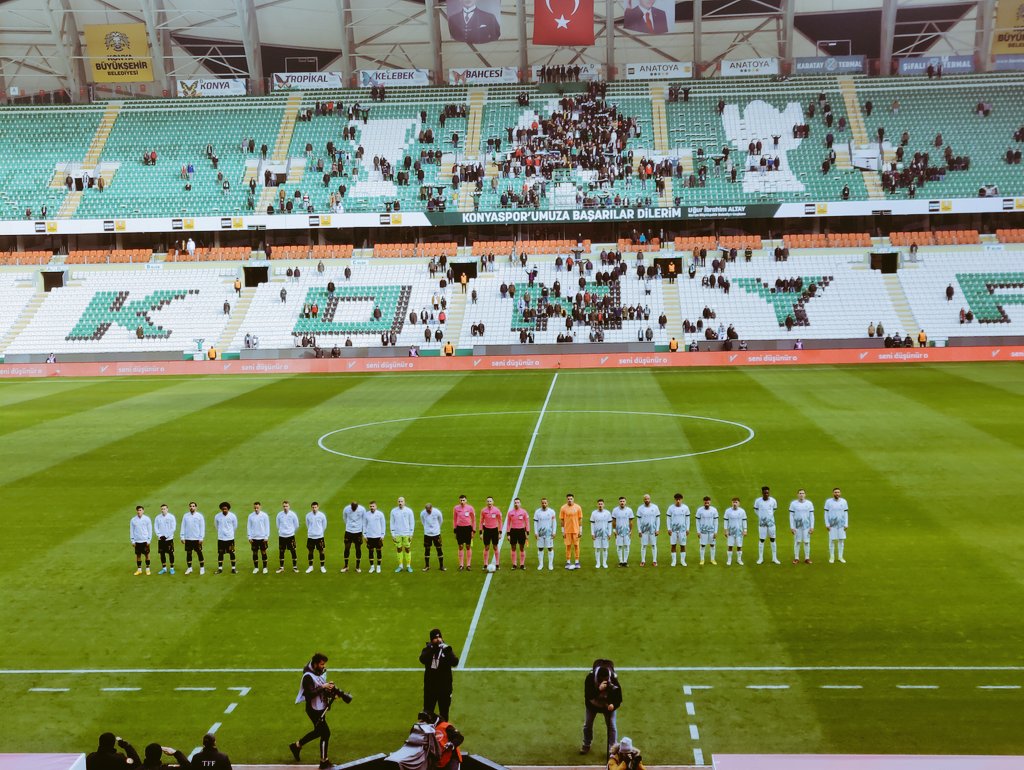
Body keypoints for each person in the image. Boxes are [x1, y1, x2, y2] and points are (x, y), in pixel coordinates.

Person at [290, 653, 340, 769]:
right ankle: (324, 762)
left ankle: (297, 746)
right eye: (322, 664)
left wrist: (331, 692)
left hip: (320, 706)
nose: (324, 666)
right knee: (325, 733)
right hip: (313, 709)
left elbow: (321, 684)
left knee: (319, 731)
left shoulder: (319, 671)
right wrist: (323, 687)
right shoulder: (308, 676)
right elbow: (309, 695)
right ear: (316, 664)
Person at [580, 659, 622, 756]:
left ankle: (612, 749)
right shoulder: (590, 678)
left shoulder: (614, 680)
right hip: (592, 704)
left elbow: (619, 698)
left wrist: (613, 705)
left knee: (612, 726)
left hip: (607, 705)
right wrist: (599, 690)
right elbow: (588, 695)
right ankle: (586, 744)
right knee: (587, 724)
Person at [420, 628, 459, 721]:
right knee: (428, 712)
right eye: (435, 638)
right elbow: (422, 659)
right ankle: (428, 732)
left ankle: (443, 732)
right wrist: (433, 649)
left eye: (439, 637)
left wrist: (448, 652)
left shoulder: (446, 650)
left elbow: (455, 662)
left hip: (445, 688)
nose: (438, 640)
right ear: (431, 640)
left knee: (444, 712)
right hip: (431, 687)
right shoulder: (427, 650)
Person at [753, 485, 781, 565]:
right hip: (762, 524)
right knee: (762, 540)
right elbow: (755, 510)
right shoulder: (758, 501)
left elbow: (774, 509)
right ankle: (760, 558)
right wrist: (761, 517)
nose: (766, 494)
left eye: (767, 493)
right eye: (765, 493)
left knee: (773, 539)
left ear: (769, 493)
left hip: (771, 523)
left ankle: (774, 558)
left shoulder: (773, 501)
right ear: (762, 493)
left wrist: (769, 517)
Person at [789, 488, 815, 564]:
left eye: (803, 493)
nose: (801, 495)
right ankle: (796, 558)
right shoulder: (793, 504)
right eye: (800, 493)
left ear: (805, 495)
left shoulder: (809, 503)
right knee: (797, 542)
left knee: (807, 542)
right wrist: (792, 527)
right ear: (797, 495)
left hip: (806, 526)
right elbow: (791, 516)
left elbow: (811, 516)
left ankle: (807, 558)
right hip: (797, 526)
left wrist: (812, 526)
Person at [391, 496, 416, 573]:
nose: (400, 503)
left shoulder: (409, 511)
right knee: (399, 549)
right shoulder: (393, 511)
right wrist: (393, 534)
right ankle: (400, 566)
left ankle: (408, 566)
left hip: (406, 534)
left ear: (404, 502)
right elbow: (392, 523)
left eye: (401, 501)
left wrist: (411, 534)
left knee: (407, 549)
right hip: (397, 534)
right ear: (397, 502)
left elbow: (412, 522)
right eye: (399, 501)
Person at [824, 487, 849, 564]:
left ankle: (840, 557)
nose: (837, 493)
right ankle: (832, 557)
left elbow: (845, 513)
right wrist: (827, 524)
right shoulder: (828, 502)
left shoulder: (844, 501)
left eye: (838, 492)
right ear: (833, 493)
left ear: (840, 493)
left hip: (841, 524)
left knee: (841, 540)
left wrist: (846, 523)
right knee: (832, 540)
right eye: (835, 492)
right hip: (832, 524)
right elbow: (826, 513)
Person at [341, 500, 367, 573]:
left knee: (358, 549)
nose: (353, 509)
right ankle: (346, 566)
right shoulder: (346, 509)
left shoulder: (362, 509)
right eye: (352, 508)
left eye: (355, 508)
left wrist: (362, 530)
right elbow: (344, 518)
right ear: (351, 506)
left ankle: (357, 567)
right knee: (347, 548)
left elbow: (364, 520)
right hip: (348, 531)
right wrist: (349, 525)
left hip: (358, 532)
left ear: (357, 506)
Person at [635, 493, 661, 567]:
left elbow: (657, 519)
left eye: (648, 499)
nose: (647, 500)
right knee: (643, 545)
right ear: (643, 500)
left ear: (650, 499)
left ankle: (654, 561)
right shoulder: (640, 508)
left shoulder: (655, 507)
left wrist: (657, 529)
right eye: (645, 499)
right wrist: (639, 531)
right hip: (644, 531)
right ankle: (643, 561)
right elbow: (638, 520)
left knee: (653, 545)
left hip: (653, 530)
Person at [180, 501, 205, 575]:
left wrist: (201, 537)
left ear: (196, 507)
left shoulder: (199, 516)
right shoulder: (185, 516)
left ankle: (202, 568)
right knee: (188, 553)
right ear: (189, 507)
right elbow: (183, 526)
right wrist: (182, 536)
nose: (192, 507)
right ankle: (189, 568)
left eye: (193, 506)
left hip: (197, 538)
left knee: (199, 553)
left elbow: (202, 527)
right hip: (188, 538)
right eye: (190, 506)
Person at [665, 493, 690, 567]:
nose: (678, 501)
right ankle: (674, 561)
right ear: (674, 500)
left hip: (682, 530)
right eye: (677, 499)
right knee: (673, 545)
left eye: (679, 499)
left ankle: (683, 561)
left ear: (682, 499)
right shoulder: (671, 508)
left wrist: (687, 529)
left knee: (683, 545)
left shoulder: (685, 508)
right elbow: (668, 519)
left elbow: (687, 519)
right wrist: (669, 529)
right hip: (673, 530)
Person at [560, 493, 584, 570]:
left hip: (576, 530)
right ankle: (568, 561)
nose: (570, 500)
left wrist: (580, 530)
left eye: (571, 499)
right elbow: (562, 520)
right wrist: (562, 531)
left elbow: (580, 519)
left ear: (573, 499)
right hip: (567, 531)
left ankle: (577, 561)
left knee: (576, 546)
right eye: (568, 499)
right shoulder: (563, 508)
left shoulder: (578, 507)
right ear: (566, 499)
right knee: (568, 546)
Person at [213, 502, 238, 574]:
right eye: (223, 509)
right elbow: (216, 526)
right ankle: (220, 569)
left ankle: (233, 568)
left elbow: (235, 526)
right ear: (221, 509)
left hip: (230, 539)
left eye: (226, 509)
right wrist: (221, 532)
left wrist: (229, 533)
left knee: (232, 553)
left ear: (228, 509)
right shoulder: (217, 516)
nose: (224, 510)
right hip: (221, 539)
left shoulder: (232, 516)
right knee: (220, 553)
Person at [479, 496, 503, 569]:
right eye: (488, 501)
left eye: (490, 501)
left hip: (494, 530)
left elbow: (500, 521)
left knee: (495, 547)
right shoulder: (483, 511)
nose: (489, 502)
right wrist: (480, 533)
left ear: (493, 502)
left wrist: (500, 532)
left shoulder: (497, 510)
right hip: (486, 530)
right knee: (486, 547)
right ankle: (485, 564)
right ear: (486, 502)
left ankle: (497, 564)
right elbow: (481, 522)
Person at [453, 494, 476, 570]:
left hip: (468, 529)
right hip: (459, 529)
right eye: (461, 500)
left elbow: (473, 520)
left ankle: (468, 565)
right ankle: (461, 565)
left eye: (463, 500)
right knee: (460, 546)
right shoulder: (456, 508)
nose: (462, 502)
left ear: (466, 500)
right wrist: (455, 529)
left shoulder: (470, 508)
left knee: (468, 546)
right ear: (459, 500)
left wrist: (473, 530)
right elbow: (454, 519)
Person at [276, 500, 300, 573]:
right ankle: (281, 567)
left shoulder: (293, 514)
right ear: (282, 506)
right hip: (282, 536)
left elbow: (296, 525)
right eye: (284, 506)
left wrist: (291, 531)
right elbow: (278, 525)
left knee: (293, 551)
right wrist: (282, 531)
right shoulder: (279, 515)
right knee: (281, 551)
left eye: (286, 506)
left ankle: (295, 567)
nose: (285, 507)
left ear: (289, 506)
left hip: (290, 536)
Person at [533, 497, 557, 570]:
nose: (544, 504)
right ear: (541, 503)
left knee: (550, 548)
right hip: (540, 533)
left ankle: (550, 564)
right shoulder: (537, 512)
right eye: (542, 503)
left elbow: (554, 522)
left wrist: (554, 532)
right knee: (540, 548)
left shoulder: (551, 512)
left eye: (545, 503)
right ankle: (541, 564)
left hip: (548, 533)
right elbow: (535, 523)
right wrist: (536, 532)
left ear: (547, 503)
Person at [505, 497, 530, 569]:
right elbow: (508, 524)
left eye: (518, 502)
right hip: (513, 531)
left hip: (521, 531)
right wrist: (508, 534)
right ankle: (514, 564)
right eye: (515, 503)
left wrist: (527, 532)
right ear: (514, 504)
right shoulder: (510, 513)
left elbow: (527, 523)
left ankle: (522, 564)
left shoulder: (524, 512)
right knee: (513, 547)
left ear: (520, 503)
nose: (516, 504)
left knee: (522, 548)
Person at [362, 501, 386, 573]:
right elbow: (364, 525)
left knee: (379, 552)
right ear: (369, 507)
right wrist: (364, 535)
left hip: (378, 536)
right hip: (369, 536)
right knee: (371, 552)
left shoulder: (380, 514)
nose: (372, 508)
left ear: (376, 506)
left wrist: (382, 535)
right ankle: (372, 567)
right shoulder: (366, 515)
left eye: (373, 506)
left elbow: (383, 525)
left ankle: (378, 567)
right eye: (371, 506)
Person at [247, 501, 270, 574]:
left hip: (262, 538)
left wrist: (266, 536)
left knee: (263, 552)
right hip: (254, 538)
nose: (256, 509)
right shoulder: (250, 516)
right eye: (255, 508)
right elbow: (249, 527)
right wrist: (249, 537)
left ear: (260, 507)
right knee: (255, 553)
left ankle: (265, 568)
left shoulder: (264, 515)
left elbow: (267, 526)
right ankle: (256, 568)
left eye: (257, 508)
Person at [421, 502, 445, 571]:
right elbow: (423, 521)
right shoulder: (423, 513)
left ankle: (441, 566)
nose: (428, 512)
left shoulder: (437, 512)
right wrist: (427, 528)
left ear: (431, 508)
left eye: (429, 510)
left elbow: (441, 520)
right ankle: (427, 566)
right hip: (427, 534)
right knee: (427, 550)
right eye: (427, 510)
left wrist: (436, 528)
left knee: (439, 549)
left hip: (436, 534)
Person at [723, 497, 747, 566]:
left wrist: (745, 530)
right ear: (731, 503)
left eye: (736, 502)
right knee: (730, 546)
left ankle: (739, 560)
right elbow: (725, 521)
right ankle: (729, 560)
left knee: (739, 546)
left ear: (739, 503)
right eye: (733, 502)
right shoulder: (728, 511)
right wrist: (725, 530)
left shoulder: (742, 511)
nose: (734, 504)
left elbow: (744, 521)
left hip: (739, 532)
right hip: (730, 532)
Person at [590, 499, 613, 569]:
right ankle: (598, 563)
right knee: (597, 549)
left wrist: (609, 533)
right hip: (597, 534)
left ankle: (604, 563)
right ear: (597, 505)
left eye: (601, 504)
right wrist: (592, 533)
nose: (600, 505)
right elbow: (592, 524)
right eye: (599, 504)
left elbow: (609, 524)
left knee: (605, 549)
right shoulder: (594, 513)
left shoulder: (608, 513)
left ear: (604, 505)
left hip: (605, 534)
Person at [130, 505, 153, 576]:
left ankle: (147, 569)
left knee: (147, 554)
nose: (139, 511)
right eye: (138, 510)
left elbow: (150, 530)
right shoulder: (133, 520)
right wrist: (132, 540)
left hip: (145, 540)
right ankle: (139, 569)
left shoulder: (147, 519)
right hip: (137, 541)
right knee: (138, 555)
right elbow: (131, 530)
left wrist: (149, 539)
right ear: (136, 511)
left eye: (140, 510)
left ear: (143, 511)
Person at [154, 504, 177, 575]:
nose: (163, 510)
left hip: (169, 539)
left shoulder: (171, 517)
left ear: (167, 509)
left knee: (170, 553)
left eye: (164, 509)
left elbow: (173, 528)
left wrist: (166, 536)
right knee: (162, 553)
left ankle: (172, 568)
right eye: (162, 509)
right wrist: (160, 535)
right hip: (161, 539)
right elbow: (156, 527)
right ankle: (164, 568)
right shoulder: (158, 517)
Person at [306, 501, 328, 573]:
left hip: (319, 537)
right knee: (310, 551)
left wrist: (320, 532)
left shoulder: (322, 515)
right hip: (311, 537)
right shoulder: (308, 515)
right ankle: (310, 567)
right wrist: (311, 531)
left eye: (315, 507)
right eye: (313, 507)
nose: (314, 509)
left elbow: (324, 525)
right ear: (311, 508)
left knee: (321, 551)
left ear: (318, 507)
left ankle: (322, 567)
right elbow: (307, 525)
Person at [696, 496, 719, 566]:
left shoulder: (714, 510)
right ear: (703, 502)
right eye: (705, 502)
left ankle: (712, 559)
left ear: (710, 502)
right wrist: (698, 531)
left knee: (712, 545)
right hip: (703, 531)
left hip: (712, 531)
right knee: (703, 545)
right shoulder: (699, 510)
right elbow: (697, 522)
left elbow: (716, 522)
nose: (706, 503)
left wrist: (716, 531)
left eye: (708, 502)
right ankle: (702, 559)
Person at [612, 497, 634, 567]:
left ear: (625, 502)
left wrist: (631, 531)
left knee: (627, 546)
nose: (622, 502)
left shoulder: (629, 510)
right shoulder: (615, 510)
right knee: (619, 547)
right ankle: (621, 561)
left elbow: (631, 522)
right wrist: (614, 530)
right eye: (621, 501)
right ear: (619, 502)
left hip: (626, 531)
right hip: (618, 532)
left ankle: (625, 561)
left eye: (623, 501)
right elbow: (614, 521)